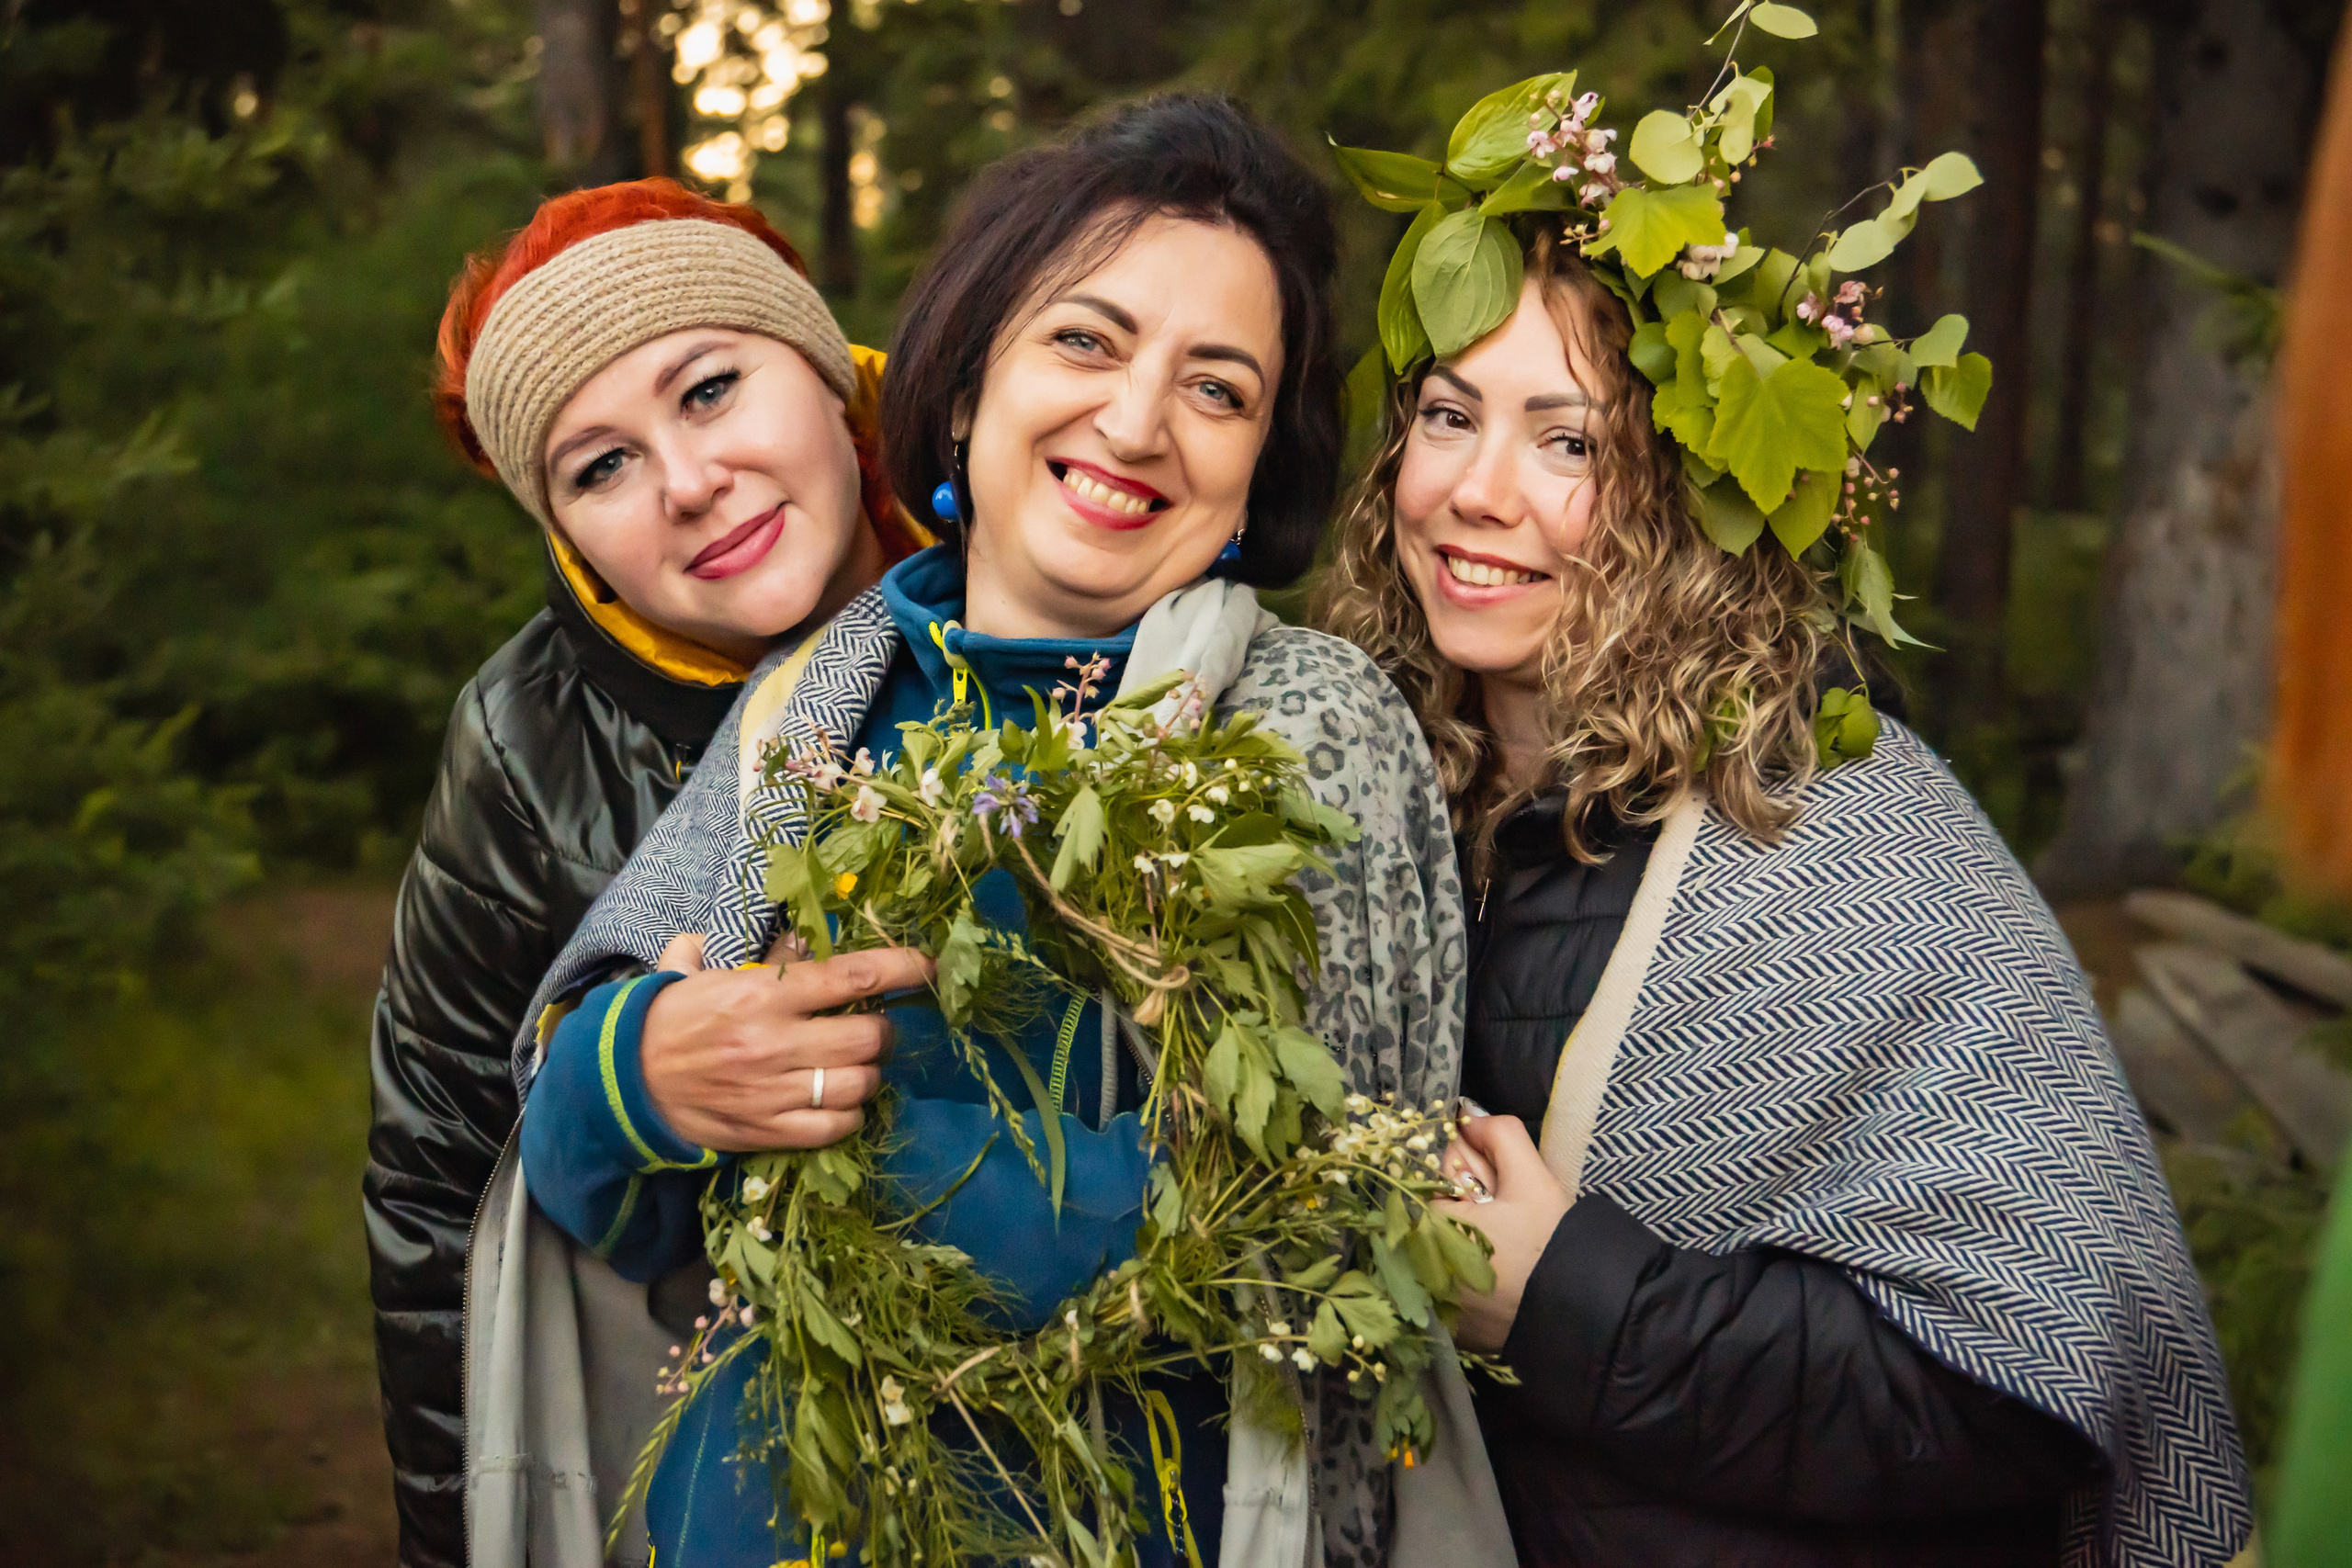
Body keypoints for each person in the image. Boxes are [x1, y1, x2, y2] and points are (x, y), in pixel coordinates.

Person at [484, 96, 1476, 1568]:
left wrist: (852, 1172)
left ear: (1260, 468)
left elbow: (1336, 1229)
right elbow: (583, 1178)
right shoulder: (812, 702)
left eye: (1218, 389)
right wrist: (636, 1070)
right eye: (1085, 340)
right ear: (964, 386)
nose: (1135, 422)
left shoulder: (1310, 727)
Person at [1317, 231, 2253, 1562]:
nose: (1477, 490)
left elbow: (2030, 1372)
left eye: (1567, 442)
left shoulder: (1830, 824)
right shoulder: (1362, 798)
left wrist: (1565, 1299)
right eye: (1448, 418)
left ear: (1682, 493)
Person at [364, 177, 928, 1567]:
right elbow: (438, 1193)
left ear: (825, 371)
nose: (685, 485)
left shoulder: (1054, 554)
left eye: (712, 389)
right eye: (596, 466)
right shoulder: (525, 744)